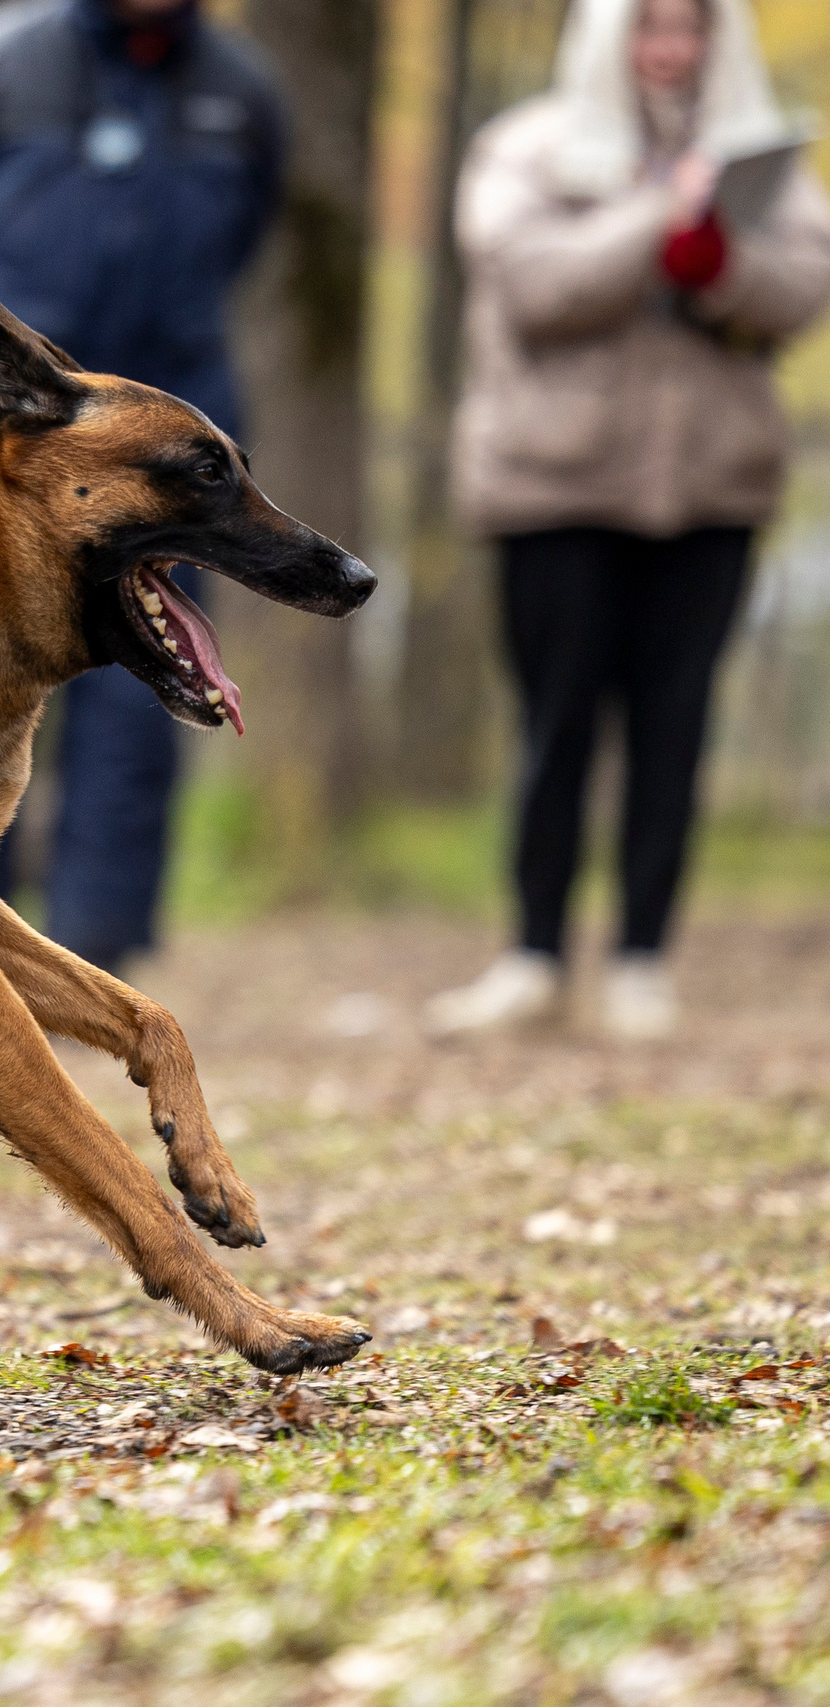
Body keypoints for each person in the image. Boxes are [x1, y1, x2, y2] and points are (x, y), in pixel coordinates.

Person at [426, 0, 830, 1041]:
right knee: (555, 723)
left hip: (710, 486)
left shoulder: (760, 159)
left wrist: (717, 263)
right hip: (552, 485)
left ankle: (644, 958)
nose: (671, 49)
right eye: (652, 27)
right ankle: (534, 955)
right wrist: (663, 217)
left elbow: (802, 285)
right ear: (612, 36)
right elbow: (529, 284)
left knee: (673, 726)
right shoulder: (525, 148)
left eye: (691, 29)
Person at [0, 0, 285, 972]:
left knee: (143, 677)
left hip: (168, 444)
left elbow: (242, 240)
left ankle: (95, 958)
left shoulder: (242, 89)